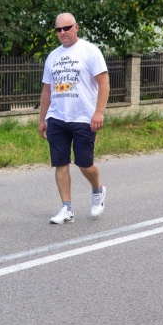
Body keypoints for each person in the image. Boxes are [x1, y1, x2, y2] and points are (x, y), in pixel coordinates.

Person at [38, 12, 110, 224]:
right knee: (60, 163)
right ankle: (66, 209)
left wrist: (98, 112)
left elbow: (104, 83)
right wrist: (42, 119)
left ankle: (97, 189)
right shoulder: (53, 56)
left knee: (85, 164)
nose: (62, 32)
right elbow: (47, 91)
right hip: (57, 117)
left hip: (83, 117)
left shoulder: (90, 51)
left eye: (66, 28)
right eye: (58, 29)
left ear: (76, 27)